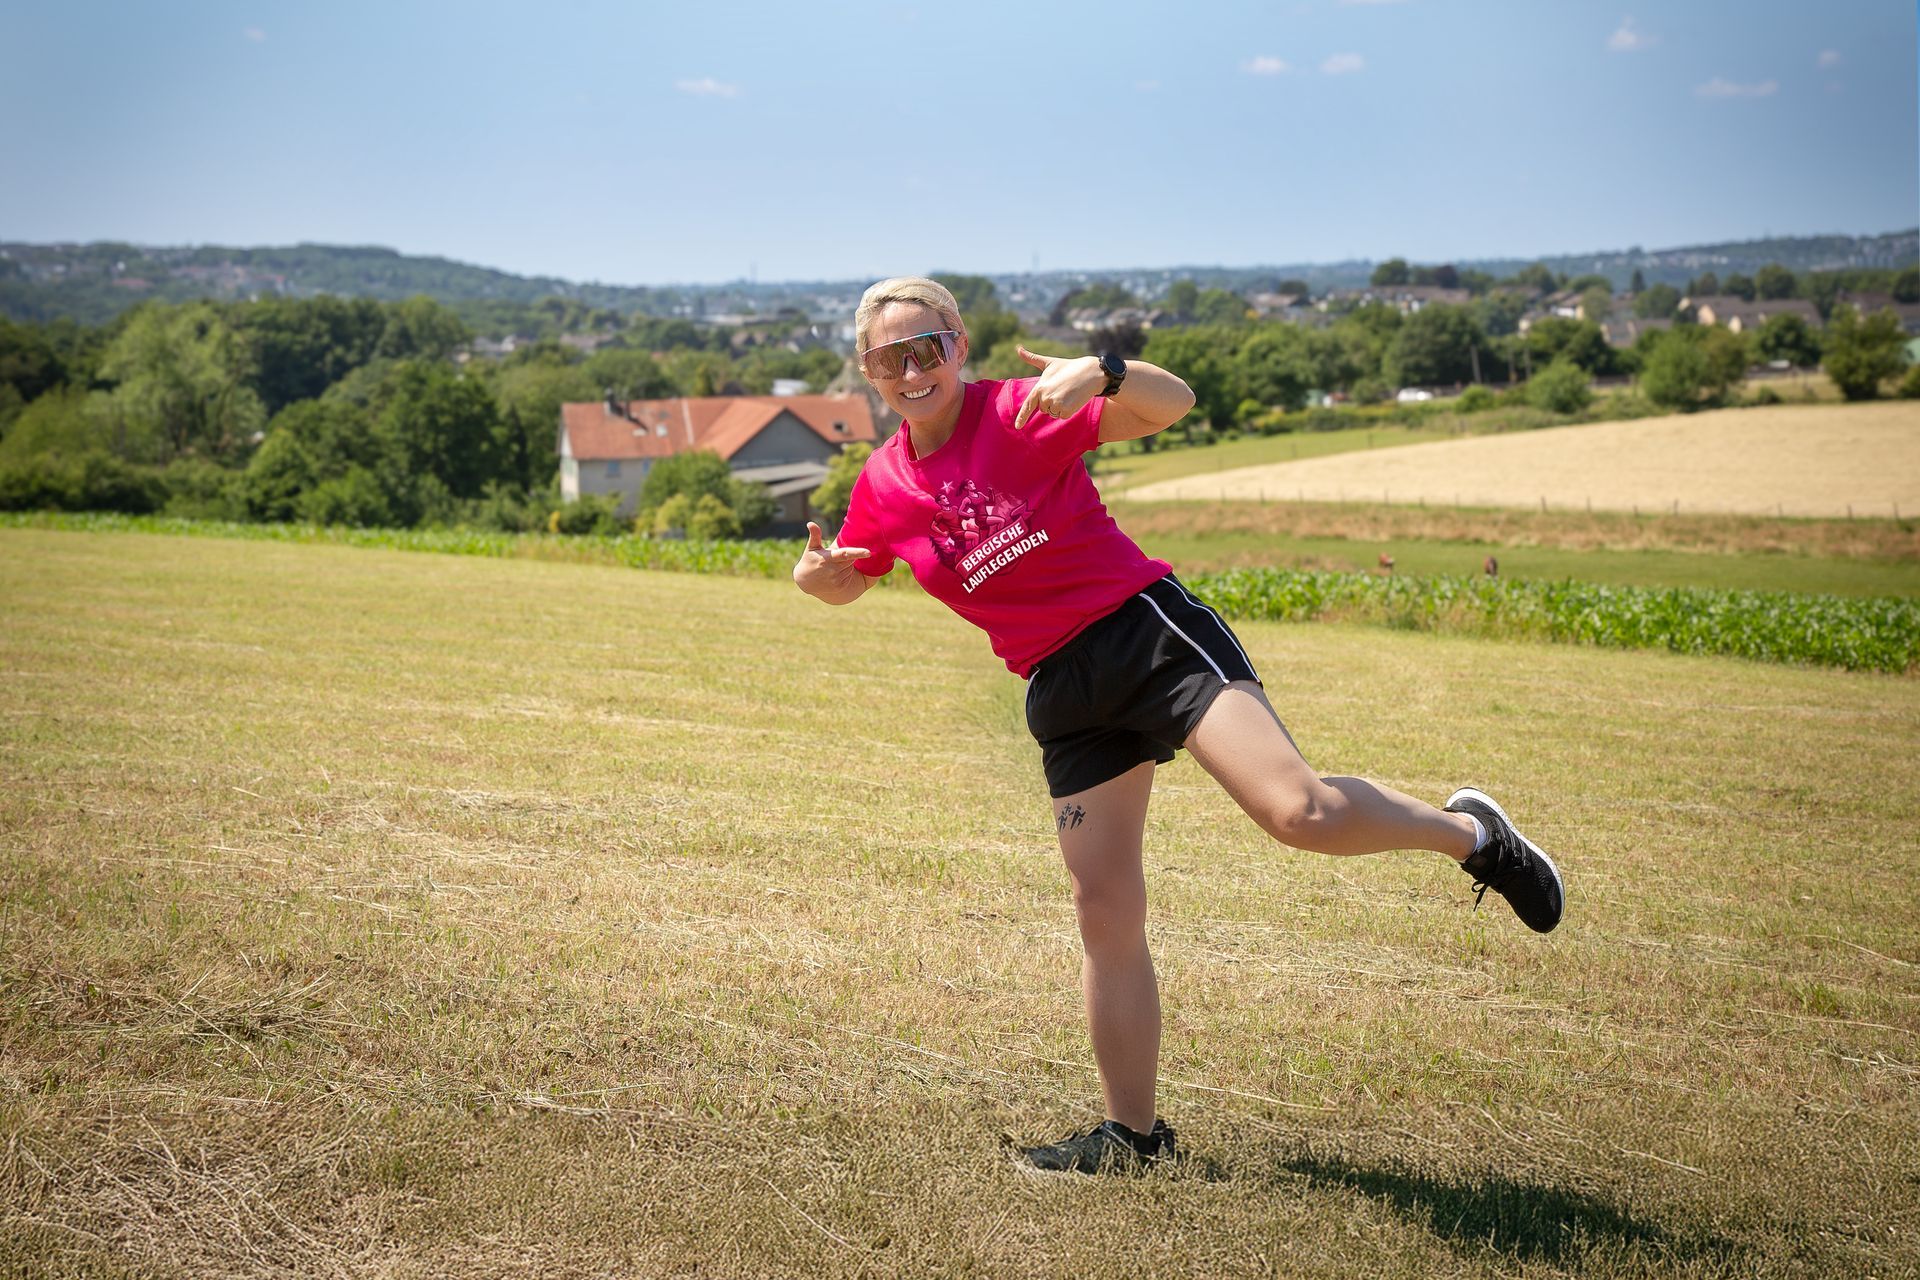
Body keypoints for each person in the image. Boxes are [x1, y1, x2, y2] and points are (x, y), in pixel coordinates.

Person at [793, 277, 1564, 1175]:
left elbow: (1174, 404)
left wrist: (1105, 371)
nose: (913, 370)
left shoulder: (1021, 409)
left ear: (959, 344)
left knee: (1299, 814)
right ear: (870, 372)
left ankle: (1475, 836)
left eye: (928, 348)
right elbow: (848, 573)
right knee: (1104, 912)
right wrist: (817, 581)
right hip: (1061, 688)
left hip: (1146, 634)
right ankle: (1133, 1138)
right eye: (891, 358)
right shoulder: (884, 484)